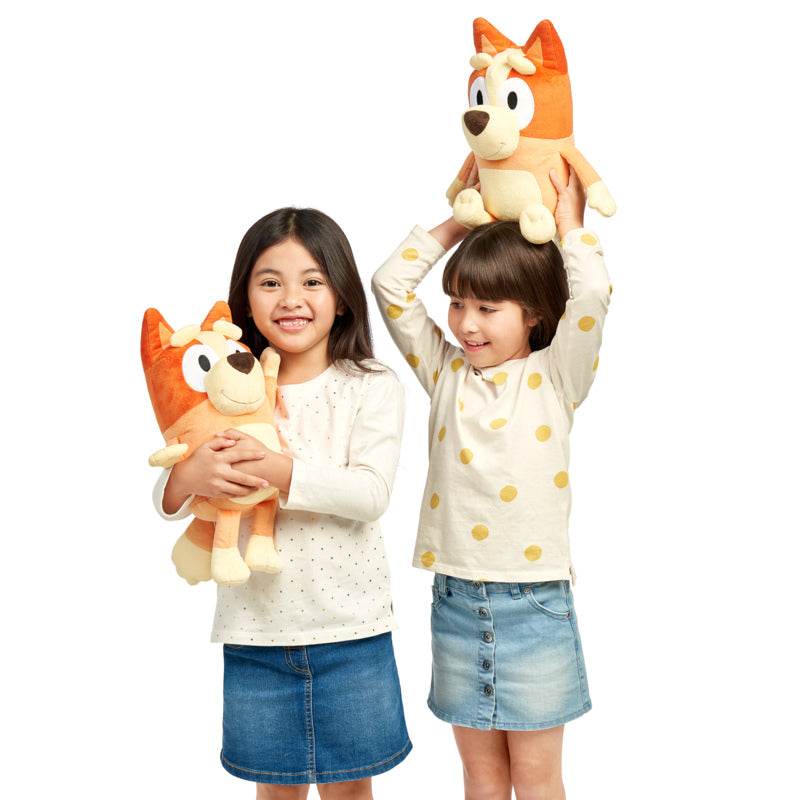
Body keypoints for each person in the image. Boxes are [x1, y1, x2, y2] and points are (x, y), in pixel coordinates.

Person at [154, 207, 411, 800]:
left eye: (312, 280)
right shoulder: (221, 391)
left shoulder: (370, 385)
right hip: (255, 633)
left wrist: (274, 469)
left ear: (342, 296)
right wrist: (190, 473)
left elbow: (370, 494)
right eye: (270, 281)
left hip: (352, 632)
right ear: (245, 300)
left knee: (350, 791)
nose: (291, 298)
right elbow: (170, 499)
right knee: (274, 791)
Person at [371, 168, 611, 799]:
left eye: (487, 308)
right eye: (457, 303)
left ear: (533, 314)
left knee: (535, 776)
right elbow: (389, 285)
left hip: (535, 604)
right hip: (456, 598)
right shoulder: (445, 372)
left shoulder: (556, 375)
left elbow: (592, 293)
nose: (466, 324)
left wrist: (569, 227)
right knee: (481, 776)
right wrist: (462, 221)